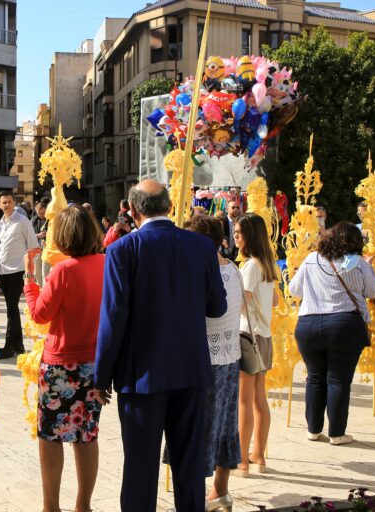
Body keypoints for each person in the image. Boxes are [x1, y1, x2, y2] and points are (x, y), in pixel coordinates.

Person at [94, 180, 227, 512]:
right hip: (191, 369)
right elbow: (217, 307)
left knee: (140, 469)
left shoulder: (122, 250)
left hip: (141, 376)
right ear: (168, 206)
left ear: (134, 211)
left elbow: (113, 317)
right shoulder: (202, 247)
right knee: (190, 467)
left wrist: (100, 377)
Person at [23, 205, 104, 512]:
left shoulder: (64, 271)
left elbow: (39, 314)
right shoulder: (107, 265)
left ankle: (51, 506)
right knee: (86, 434)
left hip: (60, 363)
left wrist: (29, 279)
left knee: (50, 434)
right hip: (95, 361)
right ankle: (84, 505)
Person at [289, 222, 375, 445]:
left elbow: (294, 290)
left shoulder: (311, 259)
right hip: (344, 324)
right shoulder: (358, 263)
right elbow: (373, 291)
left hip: (309, 324)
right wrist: (367, 268)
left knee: (314, 377)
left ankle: (313, 429)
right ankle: (337, 433)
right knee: (338, 379)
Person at [180, 214, 242, 511]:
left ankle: (198, 495)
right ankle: (221, 490)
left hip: (205, 358)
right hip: (230, 357)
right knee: (226, 425)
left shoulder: (200, 272)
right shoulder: (233, 268)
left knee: (201, 429)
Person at [233, 212, 278, 476]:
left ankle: (242, 459)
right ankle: (258, 454)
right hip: (264, 336)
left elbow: (242, 302)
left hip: (247, 337)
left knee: (244, 400)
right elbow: (273, 302)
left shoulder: (250, 266)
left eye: (239, 232)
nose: (236, 236)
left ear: (250, 235)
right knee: (260, 399)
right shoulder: (267, 264)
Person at [0, 190, 40, 359]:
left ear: (14, 202)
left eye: (9, 201)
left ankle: (9, 346)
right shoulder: (0, 223)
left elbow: (33, 247)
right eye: (3, 202)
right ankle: (19, 345)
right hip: (3, 270)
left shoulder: (23, 222)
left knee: (11, 309)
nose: (6, 205)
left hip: (18, 270)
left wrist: (30, 272)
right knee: (11, 308)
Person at [31, 199, 49, 285]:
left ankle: (44, 291)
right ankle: (39, 289)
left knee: (45, 272)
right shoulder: (34, 220)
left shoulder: (50, 219)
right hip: (37, 249)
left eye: (43, 213)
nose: (41, 215)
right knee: (37, 272)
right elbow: (29, 235)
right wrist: (38, 235)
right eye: (39, 213)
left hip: (47, 249)